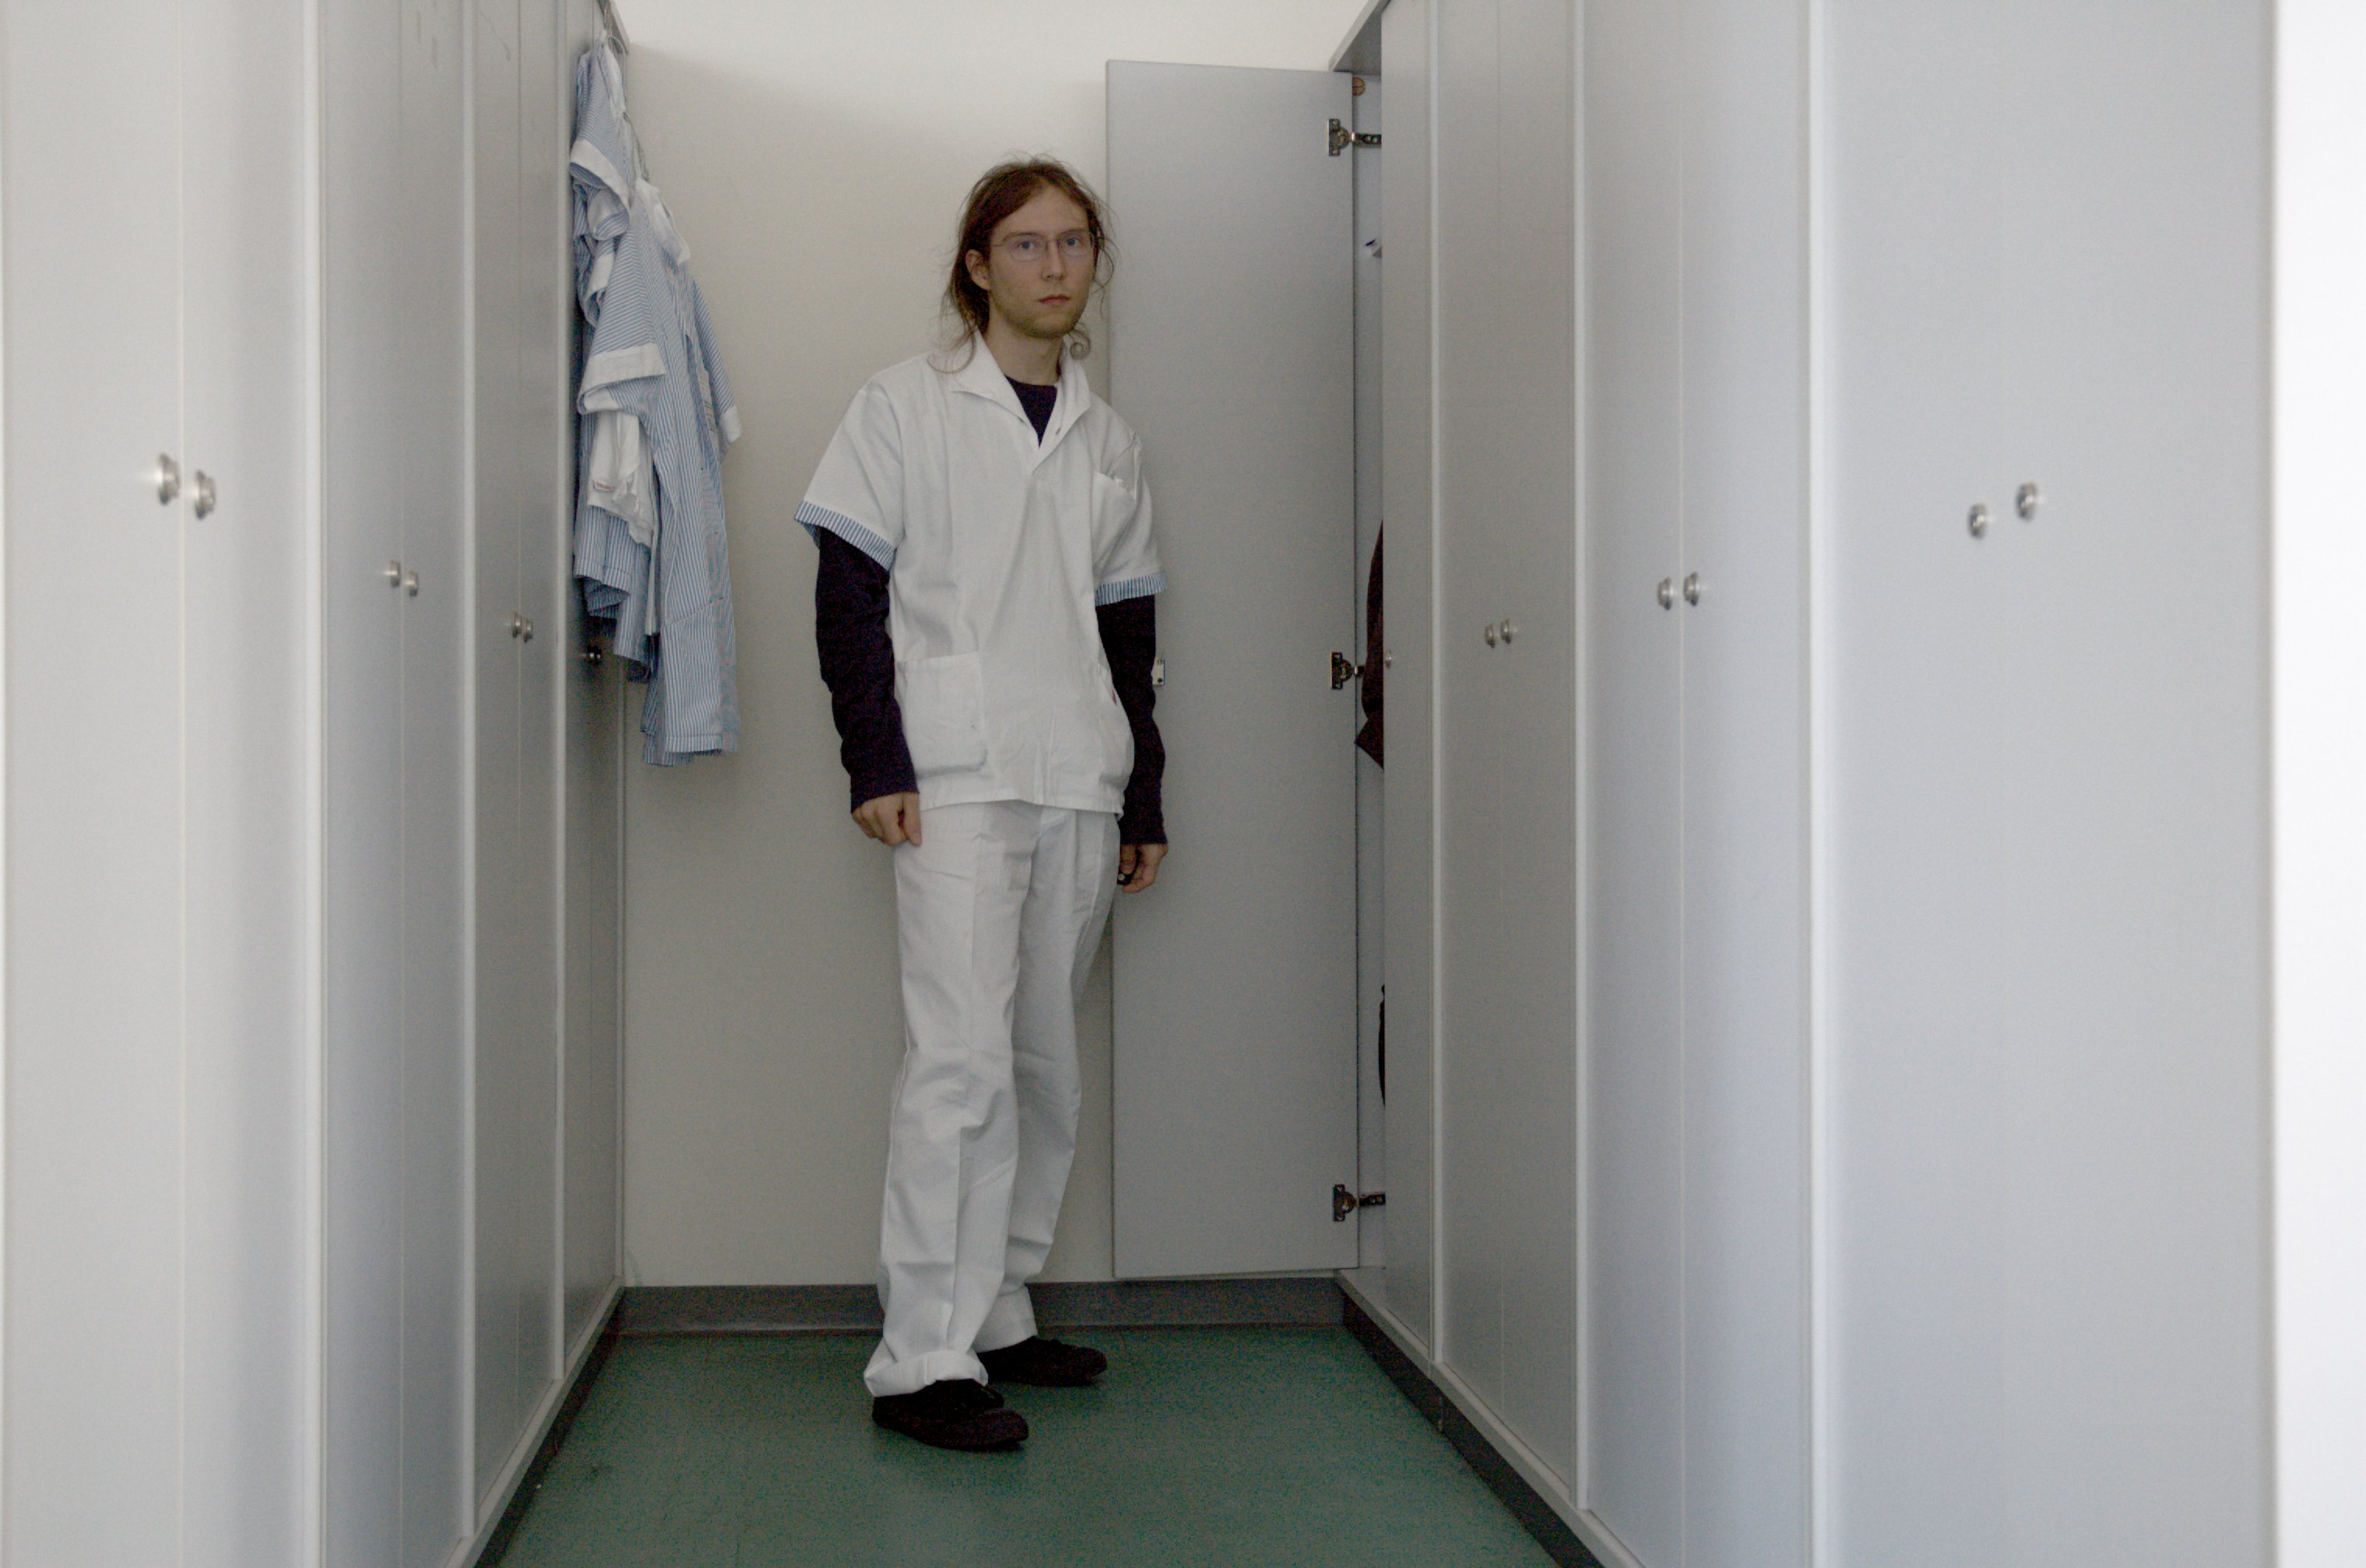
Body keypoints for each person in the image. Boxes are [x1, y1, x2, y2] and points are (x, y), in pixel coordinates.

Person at [795, 159, 1168, 1453]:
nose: (1055, 266)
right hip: (952, 774)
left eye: (1074, 243)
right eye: (1026, 244)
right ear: (977, 265)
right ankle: (920, 1358)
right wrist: (875, 759)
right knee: (958, 1063)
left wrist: (1144, 794)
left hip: (1079, 772)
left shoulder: (1108, 439)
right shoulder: (903, 406)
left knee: (1045, 1065)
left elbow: (1129, 633)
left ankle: (999, 1311)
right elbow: (848, 593)